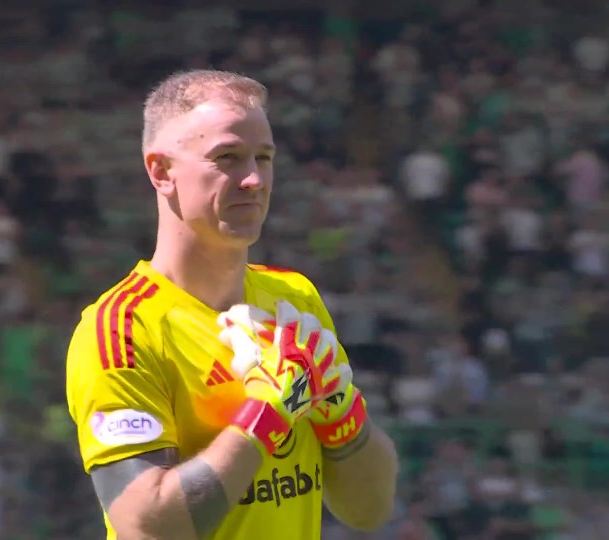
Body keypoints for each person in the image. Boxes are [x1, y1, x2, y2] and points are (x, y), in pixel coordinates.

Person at [65, 70, 399, 540]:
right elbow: (147, 528)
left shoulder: (294, 299)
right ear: (161, 171)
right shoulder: (122, 329)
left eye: (264, 158)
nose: (254, 180)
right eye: (228, 158)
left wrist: (341, 411)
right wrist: (266, 416)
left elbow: (370, 509)